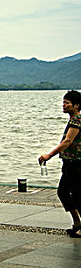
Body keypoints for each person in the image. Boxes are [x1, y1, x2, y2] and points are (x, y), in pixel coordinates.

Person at [39, 90, 81, 238]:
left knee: (76, 194)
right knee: (63, 192)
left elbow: (68, 141)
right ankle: (77, 223)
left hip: (76, 164)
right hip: (69, 163)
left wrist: (49, 155)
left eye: (67, 103)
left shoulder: (77, 120)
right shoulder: (74, 119)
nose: (64, 105)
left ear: (76, 105)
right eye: (63, 102)